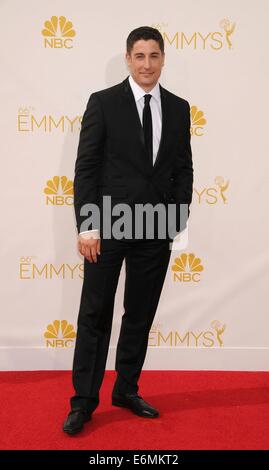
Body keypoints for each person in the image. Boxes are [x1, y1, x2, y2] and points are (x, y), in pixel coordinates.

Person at [63, 26, 193, 435]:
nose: (147, 65)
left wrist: (176, 218)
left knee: (139, 314)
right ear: (127, 58)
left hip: (156, 225)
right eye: (139, 56)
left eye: (154, 56)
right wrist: (88, 226)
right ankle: (83, 402)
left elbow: (183, 168)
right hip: (109, 223)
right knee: (95, 315)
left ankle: (126, 389)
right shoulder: (102, 104)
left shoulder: (178, 107)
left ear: (163, 59)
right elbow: (85, 169)